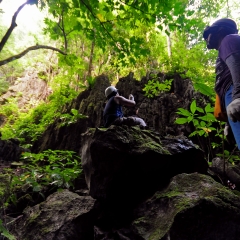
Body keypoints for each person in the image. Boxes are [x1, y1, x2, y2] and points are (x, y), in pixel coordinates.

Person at [203, 18, 240, 148]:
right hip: (232, 96)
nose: (207, 39)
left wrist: (237, 97)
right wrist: (228, 124)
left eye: (209, 34)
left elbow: (236, 64)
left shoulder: (228, 40)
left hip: (235, 92)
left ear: (219, 31)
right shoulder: (226, 45)